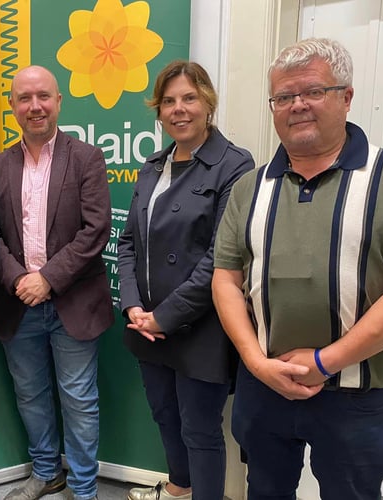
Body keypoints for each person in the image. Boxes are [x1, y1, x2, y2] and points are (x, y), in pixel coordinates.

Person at [212, 38, 383, 500]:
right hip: (263, 386)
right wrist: (255, 362)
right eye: (283, 97)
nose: (297, 106)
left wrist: (324, 362)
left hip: (356, 393)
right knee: (265, 492)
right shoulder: (249, 188)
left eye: (313, 91)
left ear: (346, 96)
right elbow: (226, 280)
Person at [118, 60, 254, 500]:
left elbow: (222, 259)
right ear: (158, 111)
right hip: (147, 326)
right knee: (164, 416)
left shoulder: (234, 165)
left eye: (189, 98)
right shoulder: (152, 165)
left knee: (200, 431)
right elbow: (127, 244)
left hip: (201, 327)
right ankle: (177, 490)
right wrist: (134, 306)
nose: (179, 110)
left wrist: (165, 317)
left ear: (208, 103)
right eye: (169, 101)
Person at [0, 65, 113, 500]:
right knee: (31, 395)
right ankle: (45, 471)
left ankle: (82, 487)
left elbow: (95, 230)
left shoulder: (86, 158)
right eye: (24, 98)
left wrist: (47, 279)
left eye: (43, 96)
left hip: (73, 303)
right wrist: (20, 278)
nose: (34, 106)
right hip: (17, 302)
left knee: (79, 399)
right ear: (12, 107)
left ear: (59, 101)